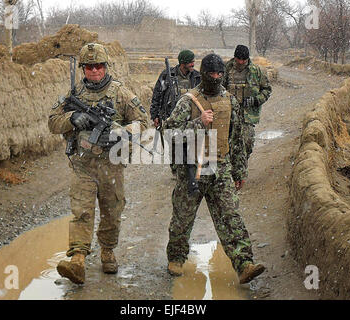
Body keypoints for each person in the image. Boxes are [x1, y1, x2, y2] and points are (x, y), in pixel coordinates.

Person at [48, 43, 149, 284]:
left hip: (111, 165)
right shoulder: (75, 94)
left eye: (99, 66)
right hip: (82, 164)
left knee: (112, 212)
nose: (94, 71)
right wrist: (72, 118)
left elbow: (143, 122)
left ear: (105, 67)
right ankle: (78, 260)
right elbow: (53, 122)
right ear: (83, 69)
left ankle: (107, 251)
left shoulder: (120, 93)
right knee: (82, 211)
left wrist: (120, 132)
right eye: (90, 67)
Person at [163, 53, 265, 284]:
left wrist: (239, 171)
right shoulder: (188, 101)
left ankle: (244, 263)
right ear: (204, 73)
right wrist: (198, 123)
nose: (216, 77)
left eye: (220, 73)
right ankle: (176, 258)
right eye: (212, 74)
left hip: (221, 168)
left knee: (231, 216)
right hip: (192, 169)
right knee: (182, 217)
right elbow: (169, 135)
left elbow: (237, 139)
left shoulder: (230, 101)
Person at [222, 45, 272, 188]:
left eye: (244, 60)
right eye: (239, 60)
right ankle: (231, 172)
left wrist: (256, 100)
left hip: (247, 115)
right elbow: (218, 88)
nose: (241, 63)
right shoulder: (226, 69)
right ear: (235, 58)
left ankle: (241, 166)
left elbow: (267, 90)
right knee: (228, 144)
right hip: (228, 114)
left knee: (247, 143)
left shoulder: (256, 71)